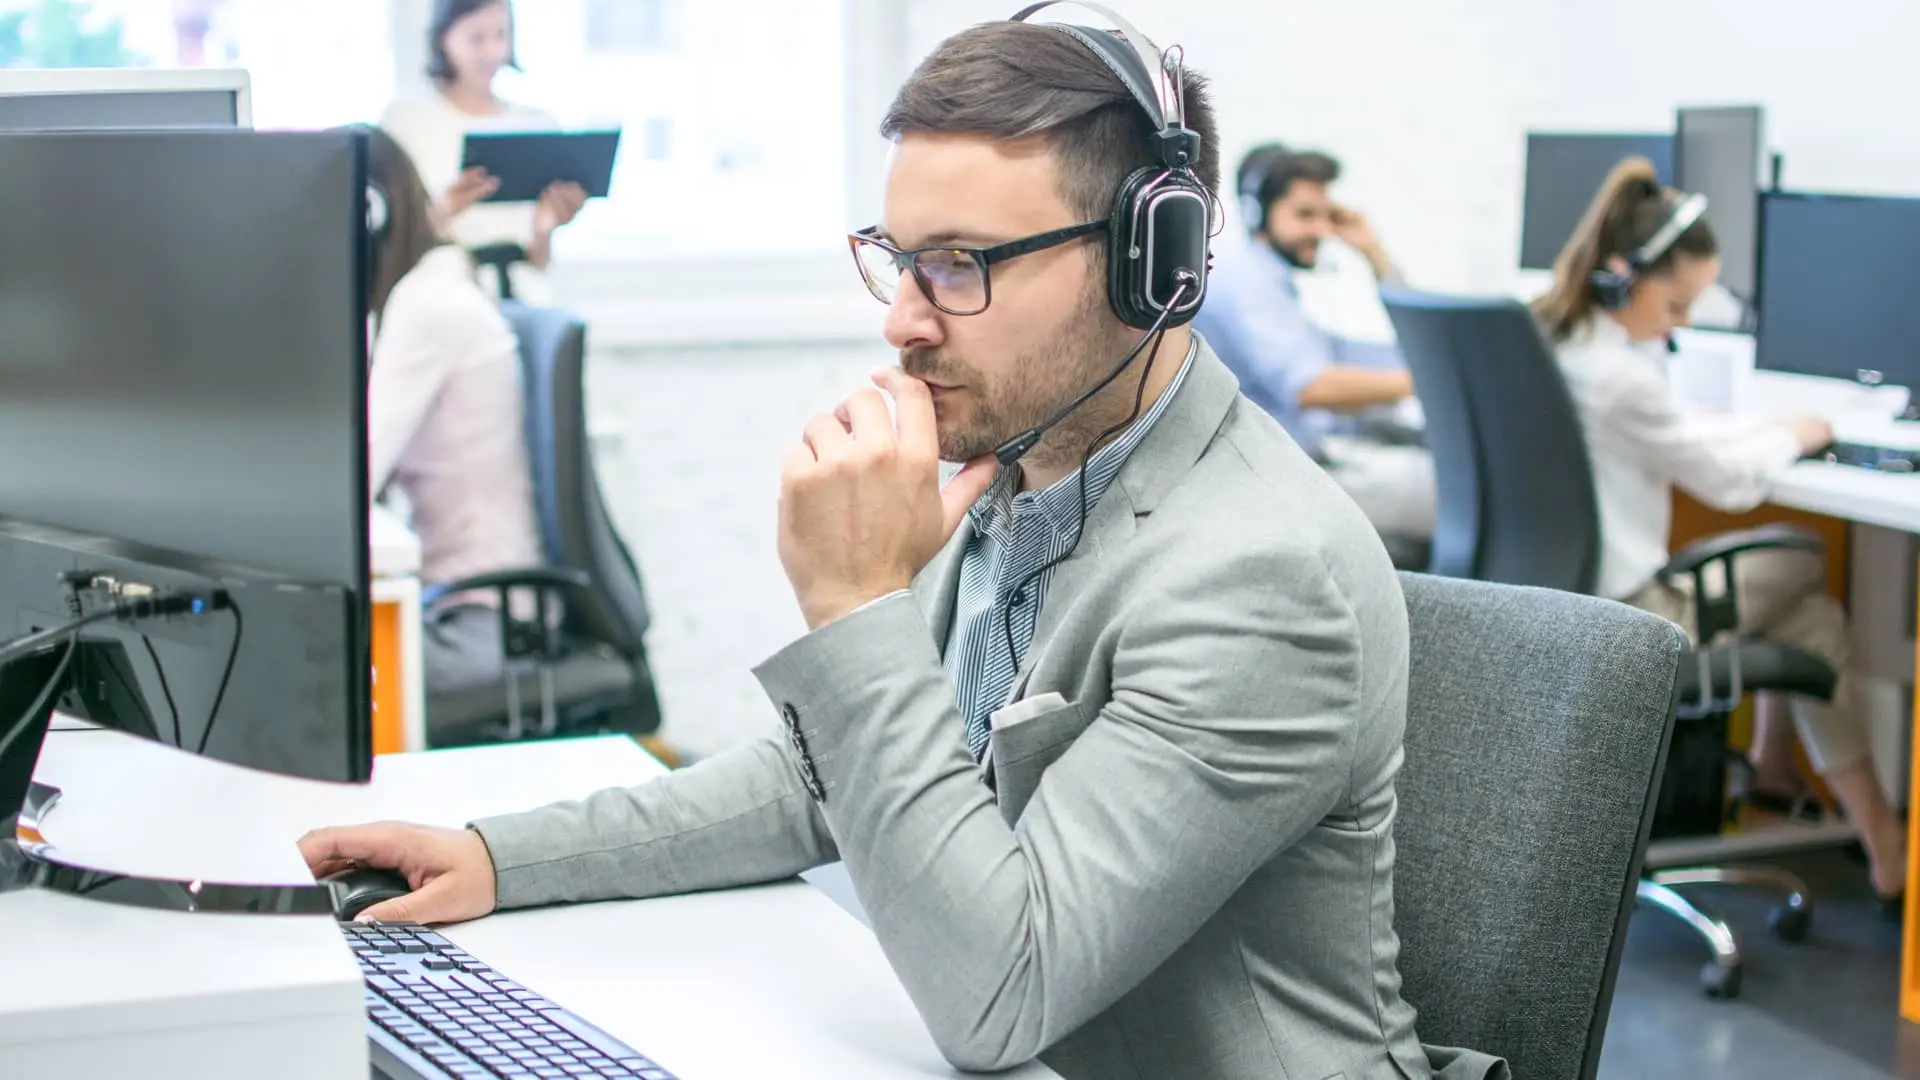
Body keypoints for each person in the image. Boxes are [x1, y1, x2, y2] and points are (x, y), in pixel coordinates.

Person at [304, 12, 1504, 1079]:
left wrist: (856, 606)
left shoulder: (1259, 578)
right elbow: (817, 781)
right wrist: (494, 859)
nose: (903, 318)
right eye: (898, 256)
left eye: (960, 264)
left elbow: (1000, 995)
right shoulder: (1030, 457)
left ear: (1154, 265)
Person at [1537, 156, 1907, 906]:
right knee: (1804, 558)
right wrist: (1798, 434)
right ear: (1622, 278)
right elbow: (1729, 485)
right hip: (1635, 618)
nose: (1680, 324)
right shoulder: (1621, 377)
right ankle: (1881, 841)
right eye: (1677, 306)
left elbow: (1677, 438)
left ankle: (1791, 788)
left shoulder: (1557, 339)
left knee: (1814, 624)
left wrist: (1760, 428)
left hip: (1551, 606)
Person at [365, 126, 545, 705]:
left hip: (482, 621)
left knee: (307, 671)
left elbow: (354, 474)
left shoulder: (427, 305)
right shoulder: (423, 290)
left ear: (369, 215)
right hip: (454, 603)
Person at [1193, 142, 1436, 545]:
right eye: (1305, 215)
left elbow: (1407, 352)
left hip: (1311, 461)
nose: (1321, 230)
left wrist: (1373, 253)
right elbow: (1310, 386)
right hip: (1278, 481)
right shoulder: (1243, 280)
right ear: (1255, 213)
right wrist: (1422, 382)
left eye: (1327, 216)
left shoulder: (1275, 287)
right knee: (1453, 491)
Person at [379, 0, 587, 302]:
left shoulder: (535, 123)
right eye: (476, 38)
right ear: (444, 37)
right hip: (441, 296)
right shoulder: (407, 123)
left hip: (522, 295)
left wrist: (545, 227)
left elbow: (538, 261)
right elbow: (390, 247)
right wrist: (441, 212)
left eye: (501, 34)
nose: (493, 52)